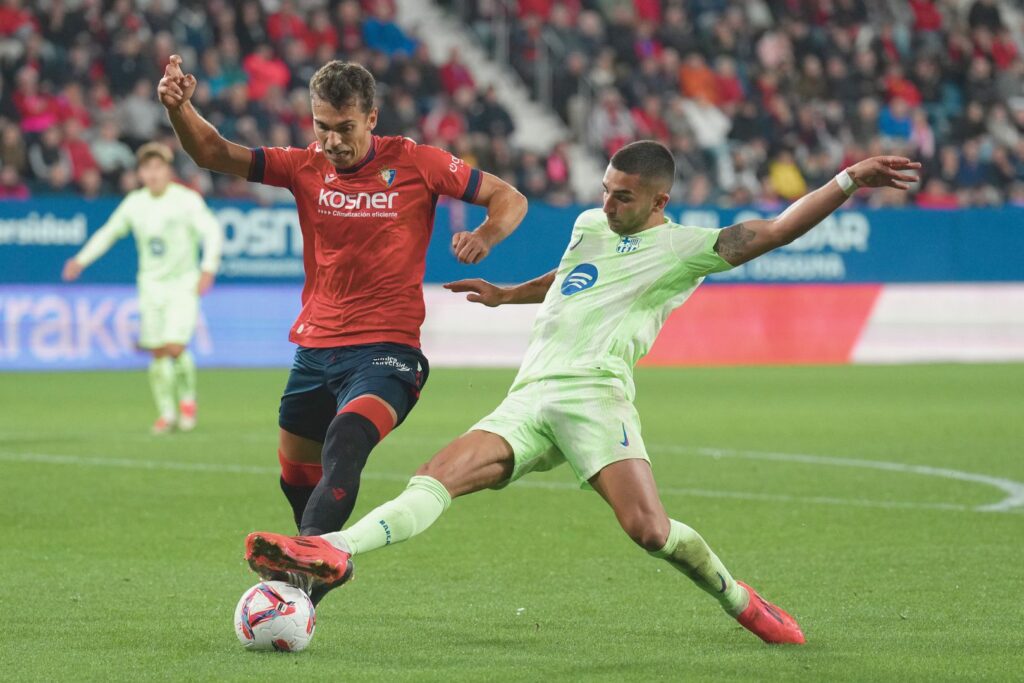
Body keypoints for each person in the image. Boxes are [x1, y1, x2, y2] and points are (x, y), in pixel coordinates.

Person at [244, 141, 920, 644]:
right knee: (435, 476)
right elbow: (573, 275)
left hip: (596, 398)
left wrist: (848, 179)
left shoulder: (687, 248)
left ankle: (741, 598)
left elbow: (773, 230)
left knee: (649, 531)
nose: (607, 202)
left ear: (658, 201)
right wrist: (509, 294)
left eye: (623, 196)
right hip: (531, 392)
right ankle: (333, 551)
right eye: (605, 189)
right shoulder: (590, 227)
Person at [157, 56, 527, 603]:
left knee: (346, 439)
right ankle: (318, 564)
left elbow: (508, 197)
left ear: (371, 119)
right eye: (321, 126)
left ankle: (306, 568)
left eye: (344, 128)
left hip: (388, 350)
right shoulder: (302, 165)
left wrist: (487, 235)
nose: (331, 141)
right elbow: (212, 152)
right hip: (315, 349)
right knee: (295, 476)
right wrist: (180, 108)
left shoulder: (419, 162)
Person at [62, 142, 222, 434]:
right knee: (158, 351)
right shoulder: (136, 203)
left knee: (175, 346)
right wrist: (81, 260)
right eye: (146, 168)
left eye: (158, 167)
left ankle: (187, 400)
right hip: (150, 285)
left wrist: (208, 267)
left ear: (168, 170)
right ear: (140, 172)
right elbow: (108, 233)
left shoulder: (186, 200)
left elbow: (211, 231)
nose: (152, 174)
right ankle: (166, 413)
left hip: (182, 284)